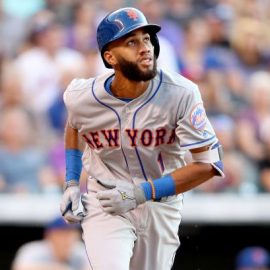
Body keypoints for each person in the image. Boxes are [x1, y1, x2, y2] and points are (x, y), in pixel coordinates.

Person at [60, 7, 224, 270]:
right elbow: (75, 123)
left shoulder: (181, 93)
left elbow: (210, 165)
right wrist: (71, 181)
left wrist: (140, 193)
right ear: (110, 57)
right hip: (106, 199)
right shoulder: (83, 95)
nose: (145, 47)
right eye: (131, 42)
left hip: (160, 203)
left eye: (146, 39)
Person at [12, 216, 89, 270]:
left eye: (72, 233)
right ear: (50, 236)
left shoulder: (80, 250)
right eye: (63, 234)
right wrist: (60, 268)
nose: (69, 238)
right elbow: (19, 268)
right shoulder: (33, 250)